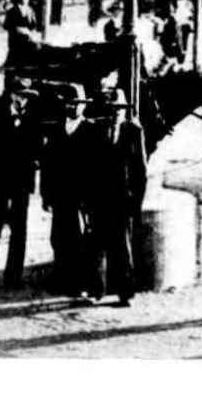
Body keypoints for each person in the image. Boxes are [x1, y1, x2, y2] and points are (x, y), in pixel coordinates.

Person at [79, 89, 146, 307]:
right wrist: (86, 200)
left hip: (122, 200)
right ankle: (95, 290)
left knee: (122, 247)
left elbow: (140, 171)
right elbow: (87, 169)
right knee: (95, 246)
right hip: (99, 198)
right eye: (113, 110)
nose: (116, 114)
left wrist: (136, 203)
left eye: (120, 110)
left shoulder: (134, 131)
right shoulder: (95, 131)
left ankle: (125, 293)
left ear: (125, 112)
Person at [0, 86, 42, 294]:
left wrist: (35, 161)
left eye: (27, 97)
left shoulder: (32, 121)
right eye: (20, 96)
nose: (23, 101)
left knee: (19, 233)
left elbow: (38, 148)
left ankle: (13, 278)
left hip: (21, 185)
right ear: (12, 95)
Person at [40, 83, 90, 297]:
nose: (73, 108)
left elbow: (96, 168)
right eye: (69, 104)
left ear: (83, 106)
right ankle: (61, 278)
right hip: (60, 196)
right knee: (59, 238)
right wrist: (45, 194)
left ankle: (79, 284)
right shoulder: (56, 130)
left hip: (81, 197)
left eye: (77, 104)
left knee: (79, 240)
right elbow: (47, 165)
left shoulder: (91, 131)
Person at [3, 0, 40, 66]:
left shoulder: (30, 10)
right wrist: (18, 29)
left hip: (28, 41)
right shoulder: (11, 11)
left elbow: (33, 26)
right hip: (16, 42)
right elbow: (6, 26)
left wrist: (30, 33)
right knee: (12, 65)